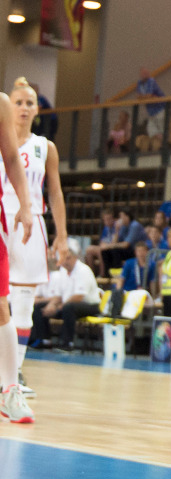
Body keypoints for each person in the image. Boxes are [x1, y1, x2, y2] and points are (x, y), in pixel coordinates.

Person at [0, 78, 68, 394]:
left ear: (38, 109)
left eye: (30, 102)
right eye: (19, 102)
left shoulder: (46, 147)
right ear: (7, 106)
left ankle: (15, 374)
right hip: (3, 219)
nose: (24, 108)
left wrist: (62, 235)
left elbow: (54, 193)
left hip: (32, 223)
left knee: (24, 302)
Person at [0, 93, 35, 423]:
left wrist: (25, 205)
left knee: (1, 306)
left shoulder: (0, 103)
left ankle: (10, 390)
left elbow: (11, 158)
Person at [29, 239, 101, 351]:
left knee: (69, 308)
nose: (66, 261)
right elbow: (58, 295)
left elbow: (79, 296)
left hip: (90, 305)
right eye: (64, 258)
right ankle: (44, 340)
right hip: (68, 304)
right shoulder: (62, 271)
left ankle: (67, 343)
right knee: (40, 307)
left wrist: (60, 307)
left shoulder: (83, 270)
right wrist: (52, 305)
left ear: (75, 258)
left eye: (69, 258)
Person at [135, 68, 166, 147]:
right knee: (150, 128)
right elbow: (138, 96)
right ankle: (164, 142)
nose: (144, 75)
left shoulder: (151, 81)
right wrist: (148, 97)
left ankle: (165, 144)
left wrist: (146, 97)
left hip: (160, 108)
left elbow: (148, 95)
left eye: (146, 73)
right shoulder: (139, 83)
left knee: (161, 127)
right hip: (151, 111)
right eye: (142, 73)